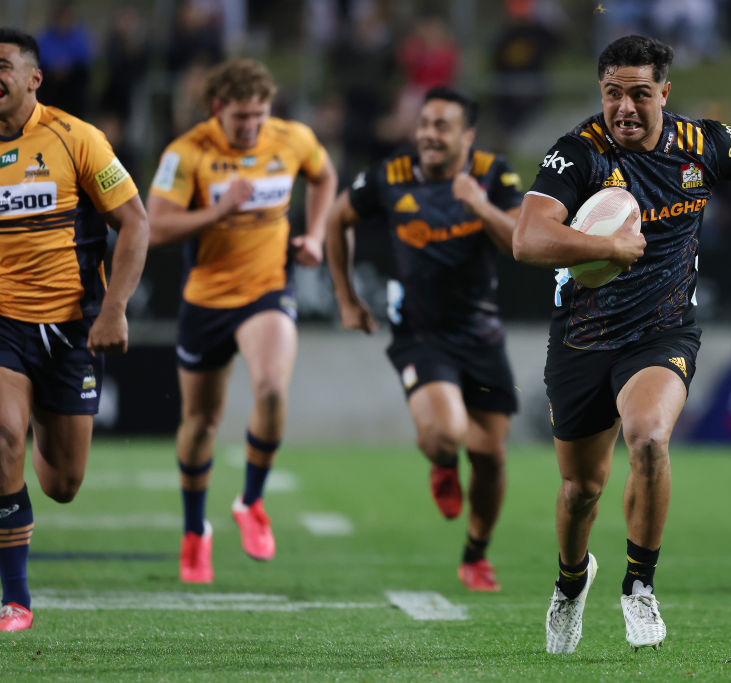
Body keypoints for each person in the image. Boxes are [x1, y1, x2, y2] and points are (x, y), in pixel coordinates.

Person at [512, 35, 731, 653]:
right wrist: (605, 246)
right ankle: (571, 585)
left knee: (650, 439)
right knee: (581, 491)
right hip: (581, 338)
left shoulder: (703, 144)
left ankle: (639, 587)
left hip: (661, 332)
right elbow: (526, 239)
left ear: (664, 93)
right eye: (612, 94)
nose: (624, 107)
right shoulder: (578, 152)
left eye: (638, 94)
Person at [146, 58, 337, 584]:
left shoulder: (291, 138)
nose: (251, 126)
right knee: (201, 422)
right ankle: (193, 531)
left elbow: (325, 176)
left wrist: (316, 235)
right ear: (217, 109)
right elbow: (154, 226)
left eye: (259, 115)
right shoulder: (186, 153)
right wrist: (217, 210)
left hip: (266, 291)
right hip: (205, 299)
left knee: (273, 389)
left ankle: (251, 502)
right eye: (240, 118)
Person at [326, 87, 522, 591]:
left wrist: (478, 204)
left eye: (442, 127)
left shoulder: (493, 173)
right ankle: (440, 461)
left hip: (480, 332)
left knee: (491, 457)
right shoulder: (390, 174)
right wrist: (347, 299)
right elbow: (336, 218)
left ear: (467, 135)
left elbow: (519, 240)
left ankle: (476, 554)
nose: (429, 136)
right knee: (447, 434)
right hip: (419, 332)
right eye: (424, 125)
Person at [0, 27, 149, 631]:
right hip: (4, 321)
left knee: (62, 484)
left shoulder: (77, 137)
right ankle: (15, 599)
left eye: (2, 65)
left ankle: (29, 433)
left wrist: (113, 311)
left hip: (73, 327)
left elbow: (135, 226)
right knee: (5, 435)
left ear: (33, 79)